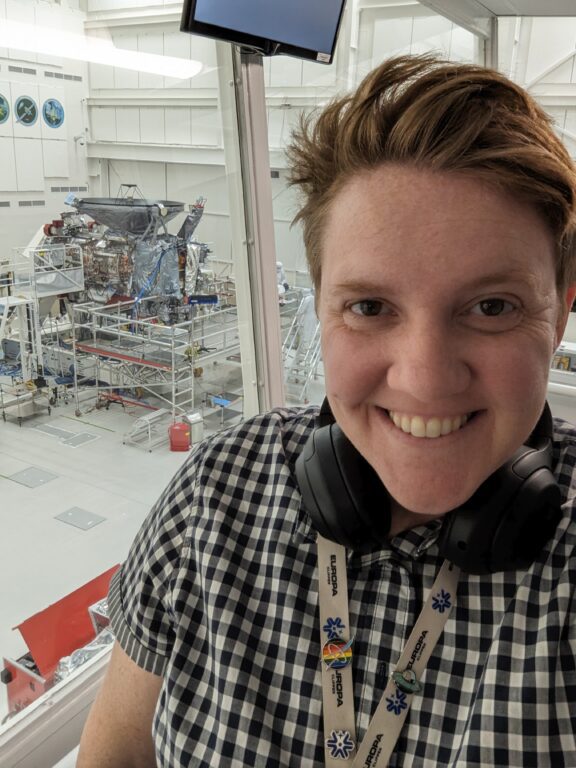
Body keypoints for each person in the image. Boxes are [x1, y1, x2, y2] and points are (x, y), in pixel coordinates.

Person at [77, 54, 576, 767]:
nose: (424, 379)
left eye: (492, 307)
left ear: (559, 318)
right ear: (322, 309)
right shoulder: (216, 499)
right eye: (369, 306)